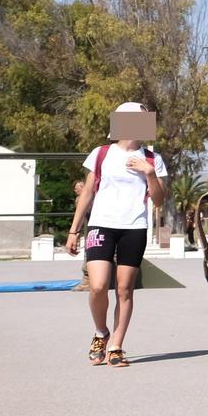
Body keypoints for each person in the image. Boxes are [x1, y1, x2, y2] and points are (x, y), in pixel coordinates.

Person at [65, 102, 167, 368]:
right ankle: (101, 333)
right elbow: (87, 193)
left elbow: (158, 200)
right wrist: (73, 230)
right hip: (101, 225)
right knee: (98, 286)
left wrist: (150, 173)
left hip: (133, 228)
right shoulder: (101, 154)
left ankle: (117, 345)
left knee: (124, 289)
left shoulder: (152, 158)